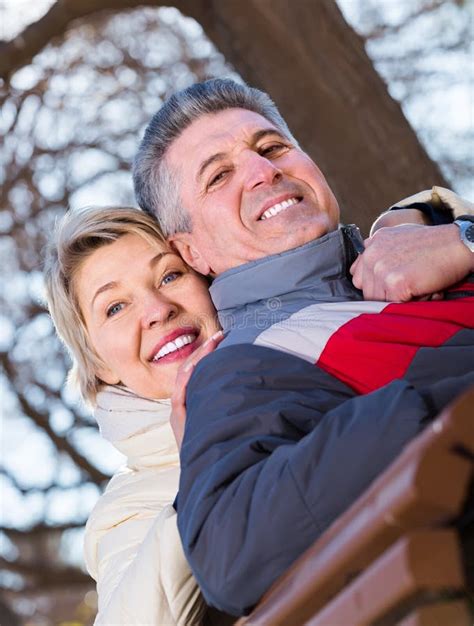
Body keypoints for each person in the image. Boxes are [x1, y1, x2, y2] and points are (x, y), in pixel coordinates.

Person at [133, 78, 474, 616]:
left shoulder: (438, 238)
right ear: (190, 250)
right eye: (219, 175)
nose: (263, 170)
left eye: (272, 148)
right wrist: (448, 411)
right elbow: (231, 547)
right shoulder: (245, 365)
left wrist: (464, 239)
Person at [43, 206, 226, 626]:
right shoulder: (126, 512)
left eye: (168, 276)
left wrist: (407, 217)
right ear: (98, 362)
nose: (158, 309)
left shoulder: (291, 342)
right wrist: (204, 466)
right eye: (115, 307)